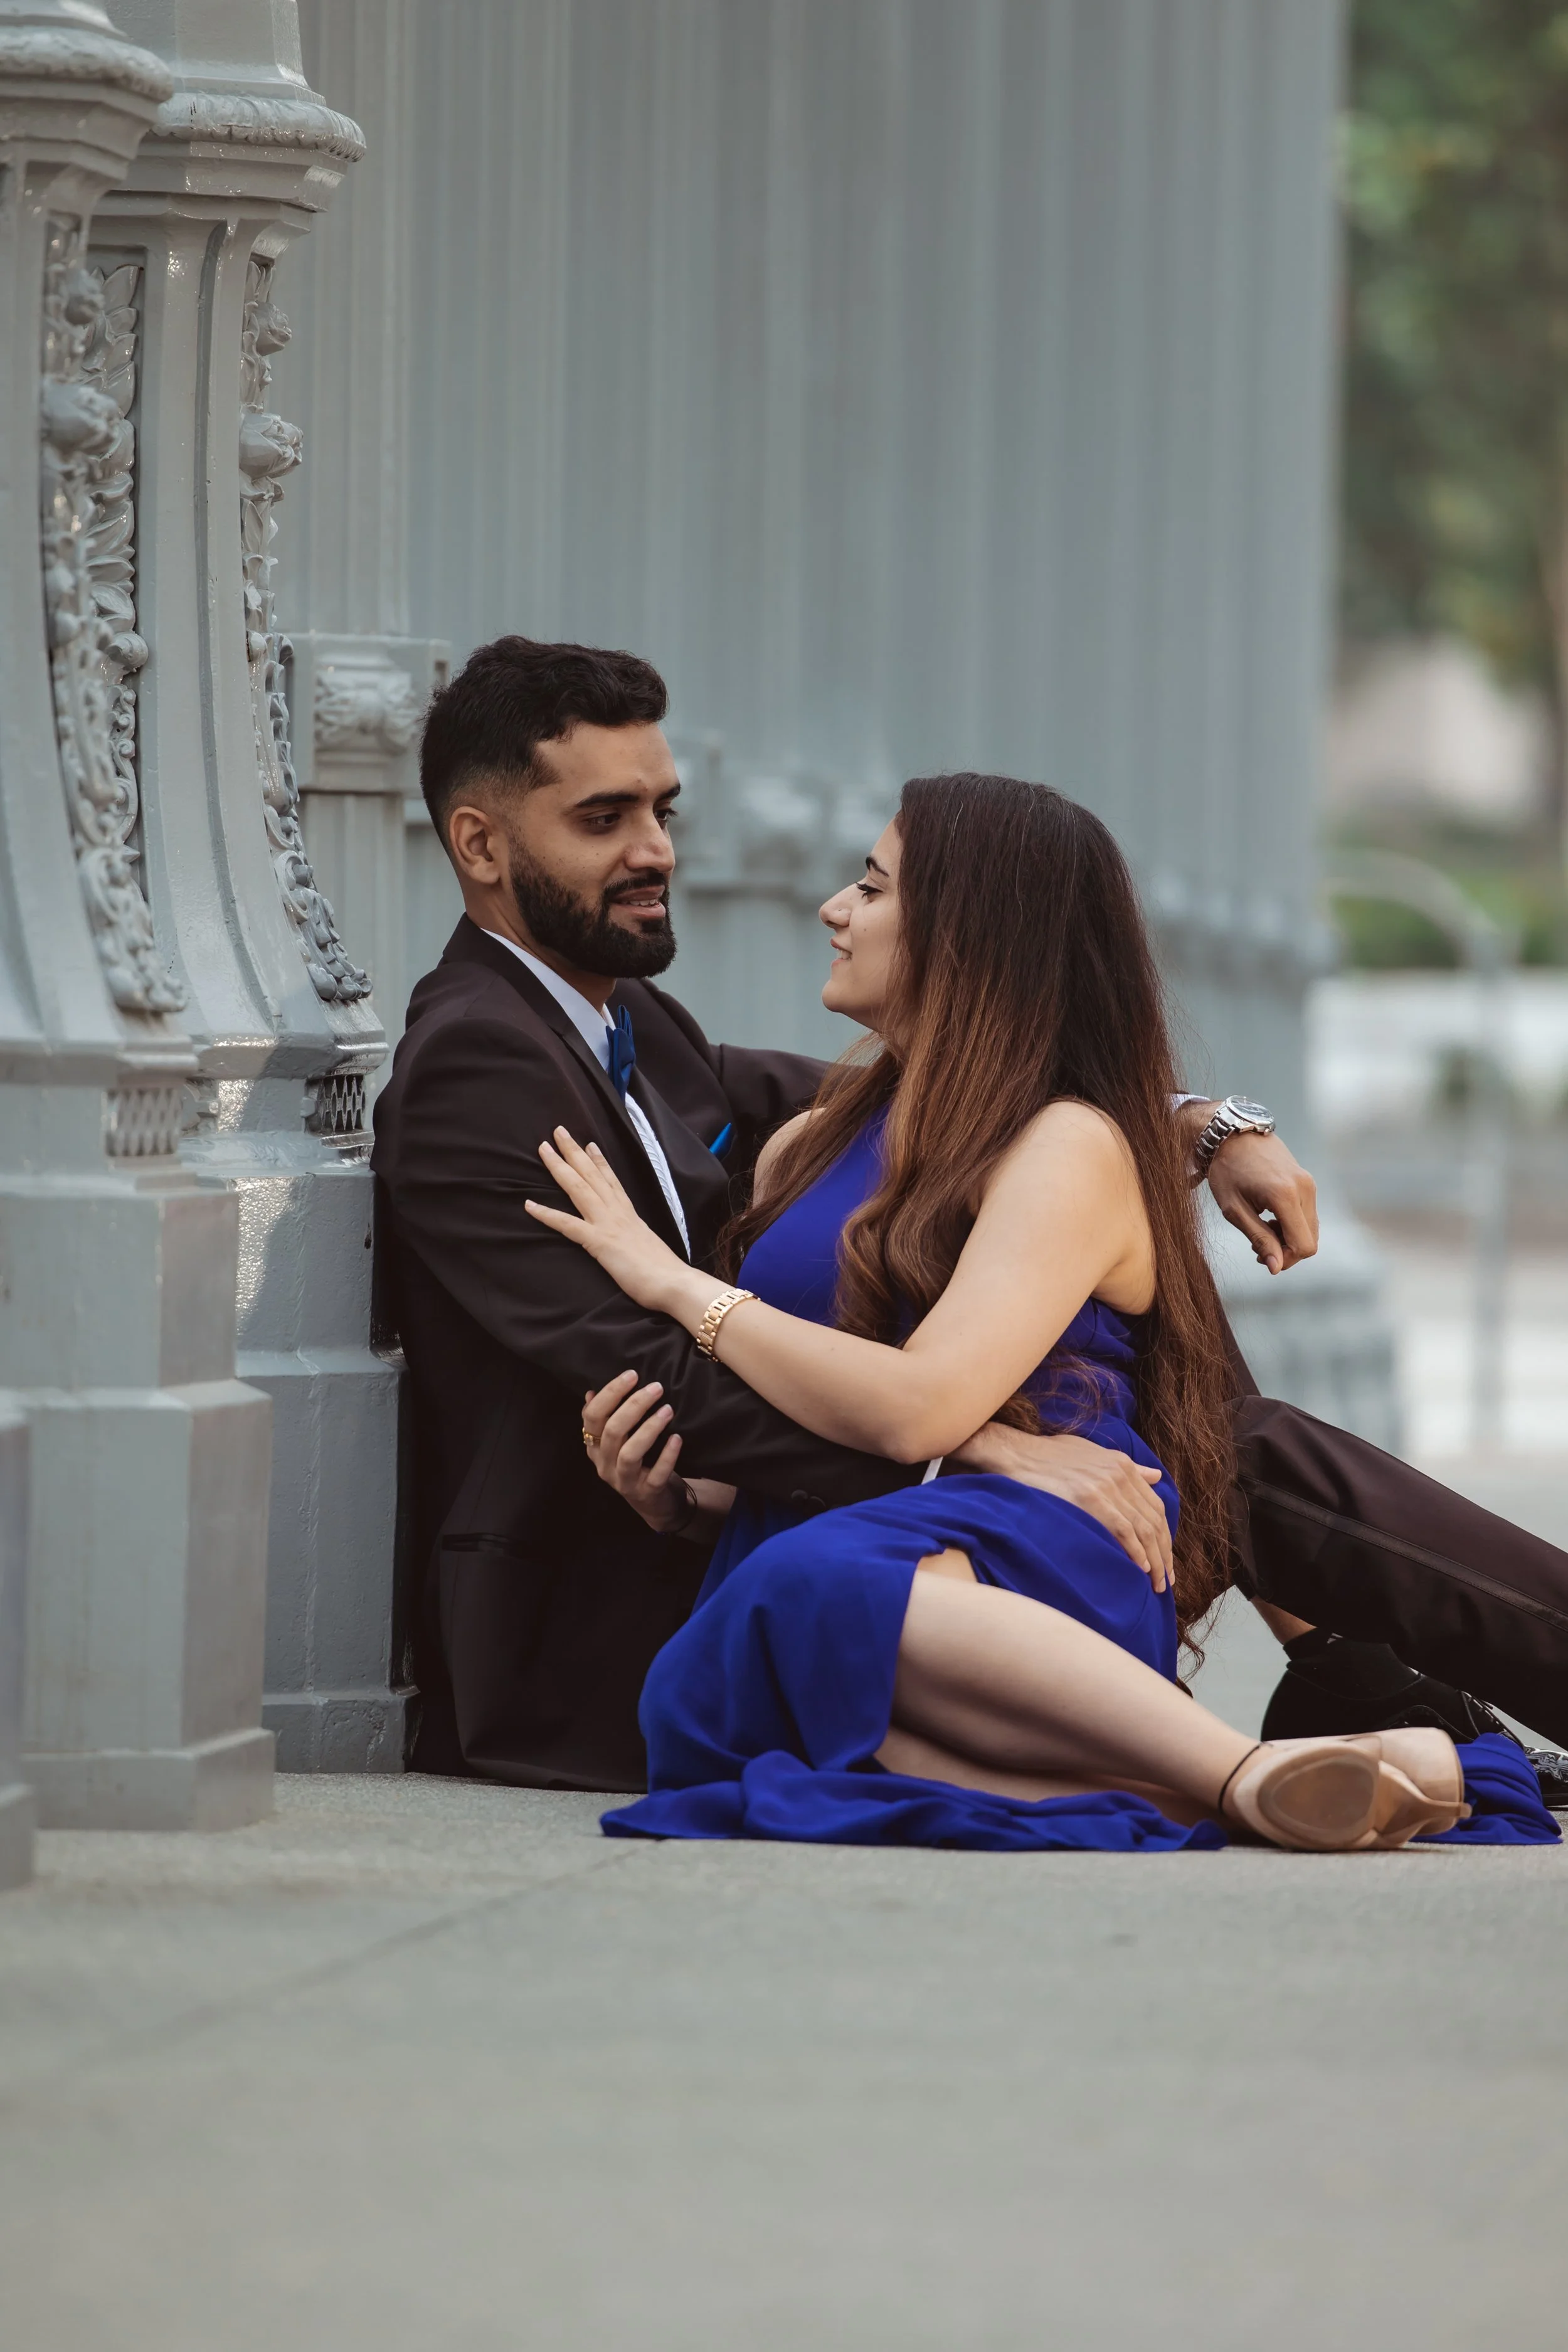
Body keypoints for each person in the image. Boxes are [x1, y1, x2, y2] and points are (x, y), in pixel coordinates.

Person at [371, 635, 1568, 1796]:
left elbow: (952, 1091)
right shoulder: (477, 1061)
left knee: (1194, 1408)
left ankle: (1349, 1688)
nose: (656, 851)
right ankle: (1331, 1710)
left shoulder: (641, 1029)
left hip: (807, 1522)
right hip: (614, 1601)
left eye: (663, 812)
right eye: (603, 819)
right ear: (479, 843)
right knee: (1217, 1444)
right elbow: (654, 1371)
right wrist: (975, 1435)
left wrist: (1200, 1121)